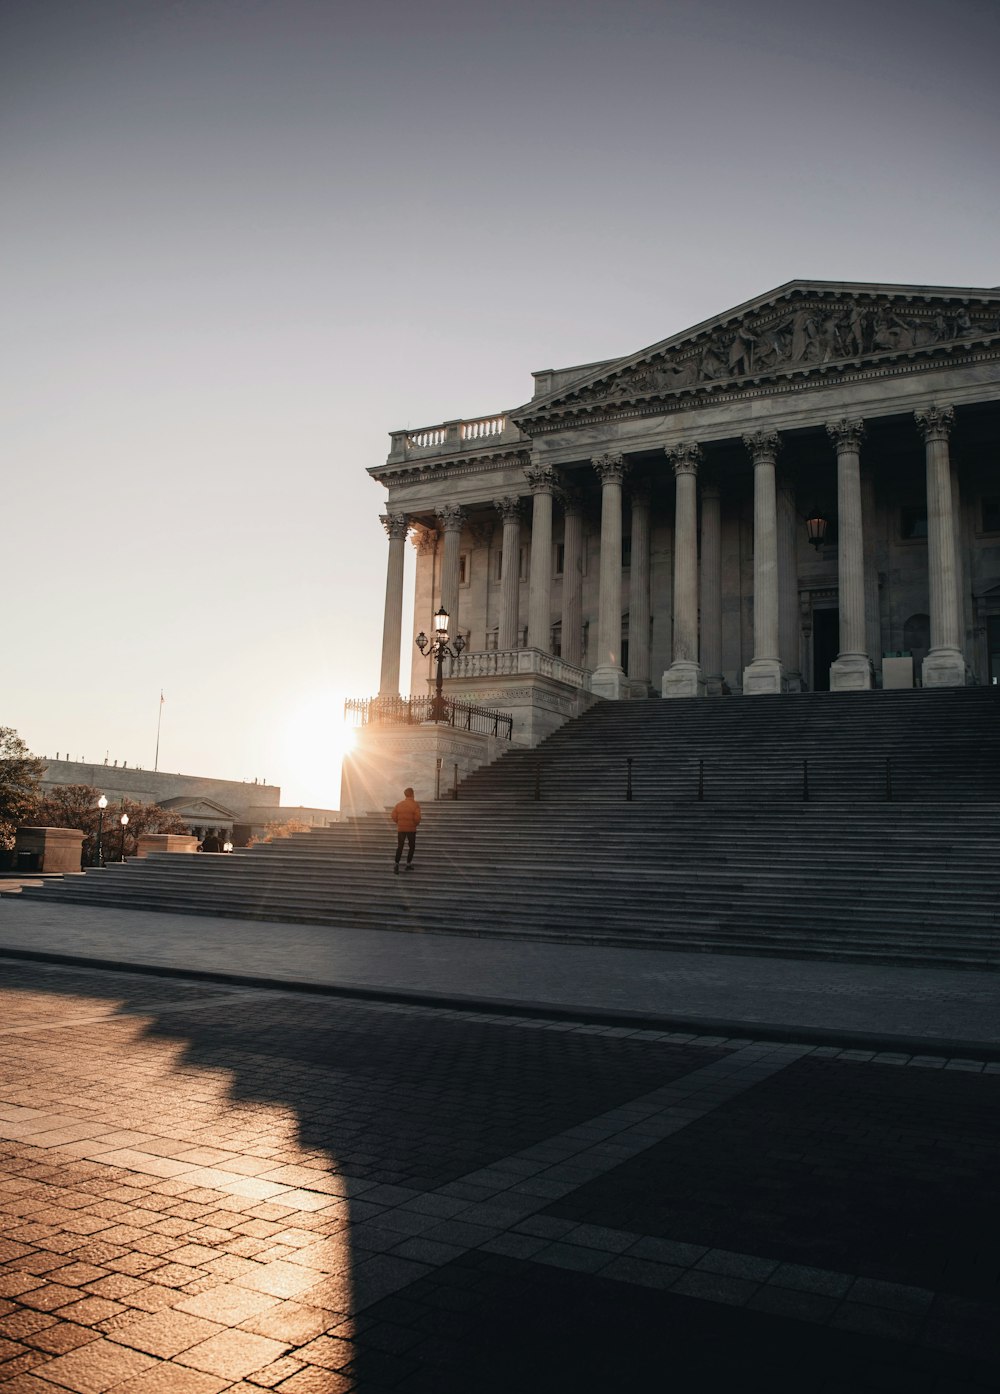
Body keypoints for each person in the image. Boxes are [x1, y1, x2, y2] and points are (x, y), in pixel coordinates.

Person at [391, 787, 421, 873]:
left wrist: (398, 822)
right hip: (411, 829)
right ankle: (408, 864)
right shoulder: (415, 805)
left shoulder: (399, 804)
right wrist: (415, 824)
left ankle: (396, 864)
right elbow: (418, 817)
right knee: (411, 846)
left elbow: (393, 815)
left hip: (401, 829)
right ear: (412, 794)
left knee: (400, 846)